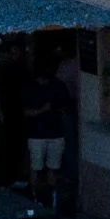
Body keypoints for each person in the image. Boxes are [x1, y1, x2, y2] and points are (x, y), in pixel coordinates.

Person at [22, 61, 71, 208]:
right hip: (38, 134)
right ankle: (35, 198)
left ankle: (51, 201)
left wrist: (59, 111)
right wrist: (43, 110)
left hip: (54, 133)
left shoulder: (58, 85)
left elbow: (66, 104)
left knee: (52, 168)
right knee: (37, 167)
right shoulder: (30, 88)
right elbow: (26, 112)